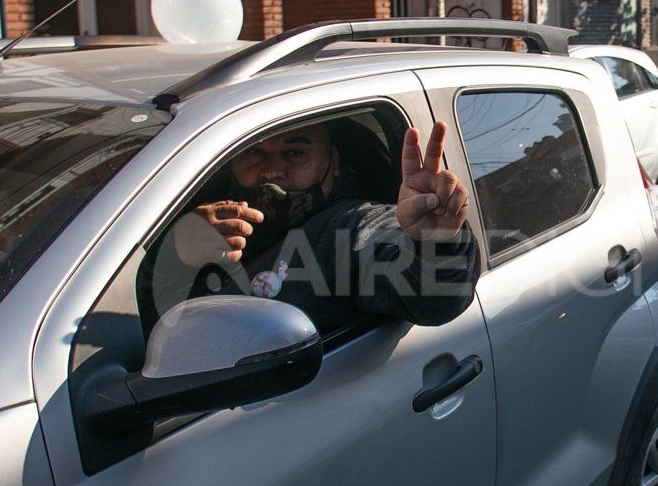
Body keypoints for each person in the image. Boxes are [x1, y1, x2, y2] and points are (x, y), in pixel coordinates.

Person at [139, 119, 480, 335]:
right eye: (254, 154)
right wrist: (174, 253)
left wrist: (436, 242)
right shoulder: (196, 219)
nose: (271, 171)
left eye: (294, 154)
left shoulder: (349, 228)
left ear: (332, 164)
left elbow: (435, 300)